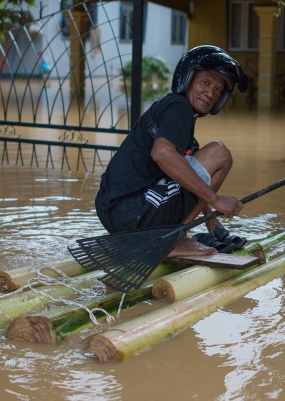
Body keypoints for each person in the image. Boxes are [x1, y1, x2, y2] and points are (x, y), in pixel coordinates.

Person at [95, 45, 249, 257]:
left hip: (117, 214)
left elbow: (188, 175)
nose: (210, 93)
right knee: (219, 153)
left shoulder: (171, 111)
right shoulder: (180, 108)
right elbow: (162, 154)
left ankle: (175, 236)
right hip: (132, 213)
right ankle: (172, 240)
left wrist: (215, 228)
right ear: (188, 78)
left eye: (217, 90)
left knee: (193, 162)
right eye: (205, 83)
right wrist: (215, 200)